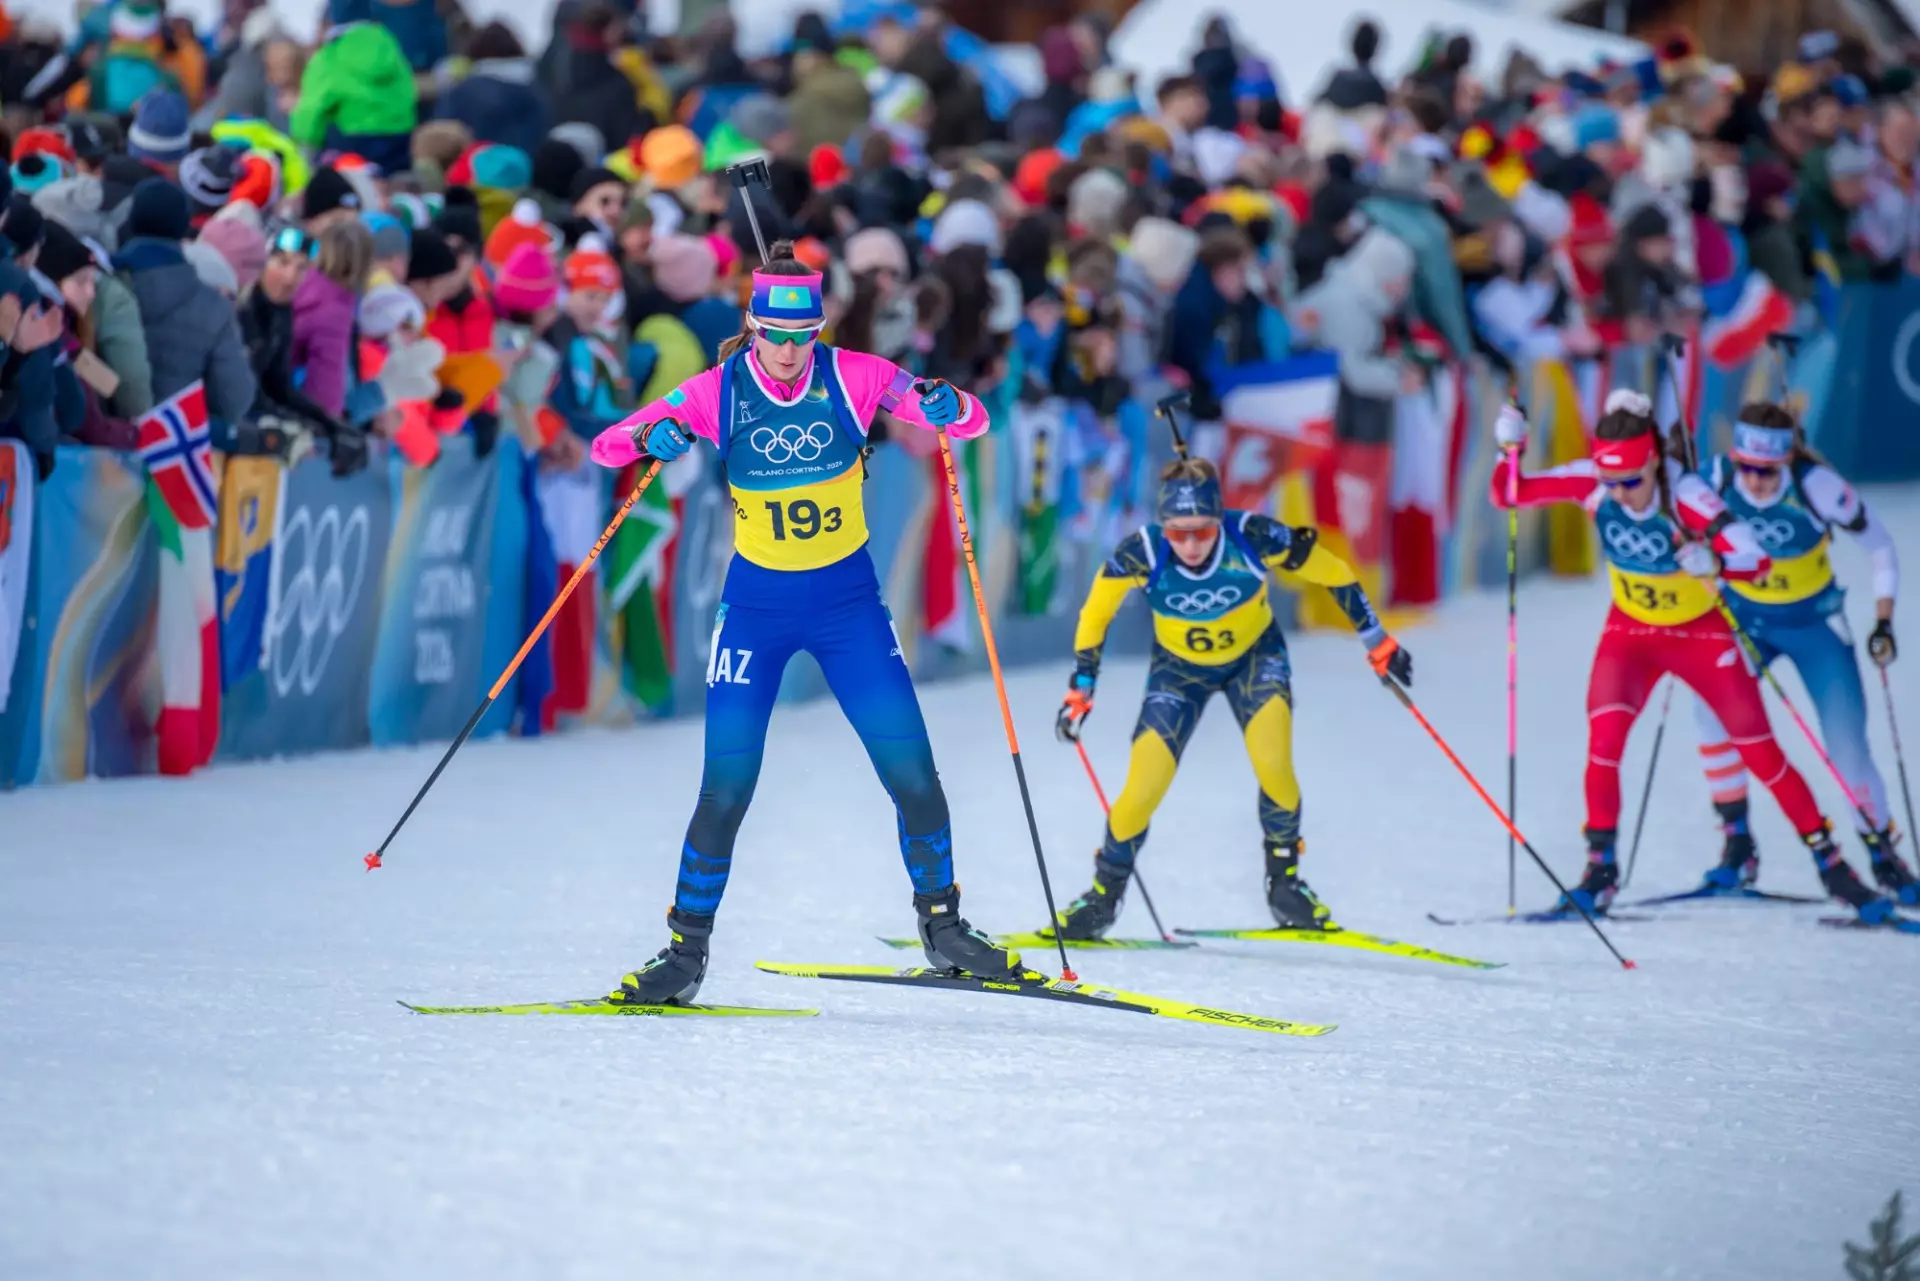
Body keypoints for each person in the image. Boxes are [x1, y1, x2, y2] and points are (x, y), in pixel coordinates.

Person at [587, 239, 1016, 1004]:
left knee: (914, 776)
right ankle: (684, 953)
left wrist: (953, 405)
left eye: (802, 337)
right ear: (753, 328)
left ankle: (945, 926)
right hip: (757, 610)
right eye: (774, 337)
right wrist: (650, 437)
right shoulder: (717, 391)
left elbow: (971, 419)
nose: (788, 353)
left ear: (818, 332)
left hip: (849, 608)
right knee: (725, 787)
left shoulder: (855, 375)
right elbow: (607, 442)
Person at [1490, 392, 1894, 922]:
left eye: (1631, 482)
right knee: (1604, 744)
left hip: (1701, 636)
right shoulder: (1596, 481)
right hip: (1630, 634)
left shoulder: (1688, 494)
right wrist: (1508, 449)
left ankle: (1834, 868)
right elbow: (1511, 494)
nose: (1621, 495)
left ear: (1654, 462)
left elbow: (1755, 557)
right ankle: (1599, 873)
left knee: (1760, 751)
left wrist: (1716, 562)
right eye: (1611, 483)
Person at [1049, 456, 1411, 936]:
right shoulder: (1143, 552)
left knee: (1275, 766)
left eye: (1203, 531)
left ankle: (1285, 888)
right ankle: (1102, 899)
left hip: (1255, 661)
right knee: (1141, 789)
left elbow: (1335, 571)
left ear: (1220, 521)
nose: (1192, 544)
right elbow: (1095, 614)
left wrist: (1377, 641)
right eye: (1179, 533)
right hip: (1178, 673)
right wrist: (1082, 688)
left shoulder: (1252, 535)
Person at [1687, 403, 1917, 904]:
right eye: (1747, 468)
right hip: (1746, 620)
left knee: (1847, 750)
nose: (1756, 482)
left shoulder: (1817, 487)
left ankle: (1885, 858)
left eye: (1767, 472)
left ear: (1786, 461)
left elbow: (1880, 547)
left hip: (1814, 626)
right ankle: (1737, 845)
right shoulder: (1715, 478)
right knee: (1709, 713)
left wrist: (1883, 619)